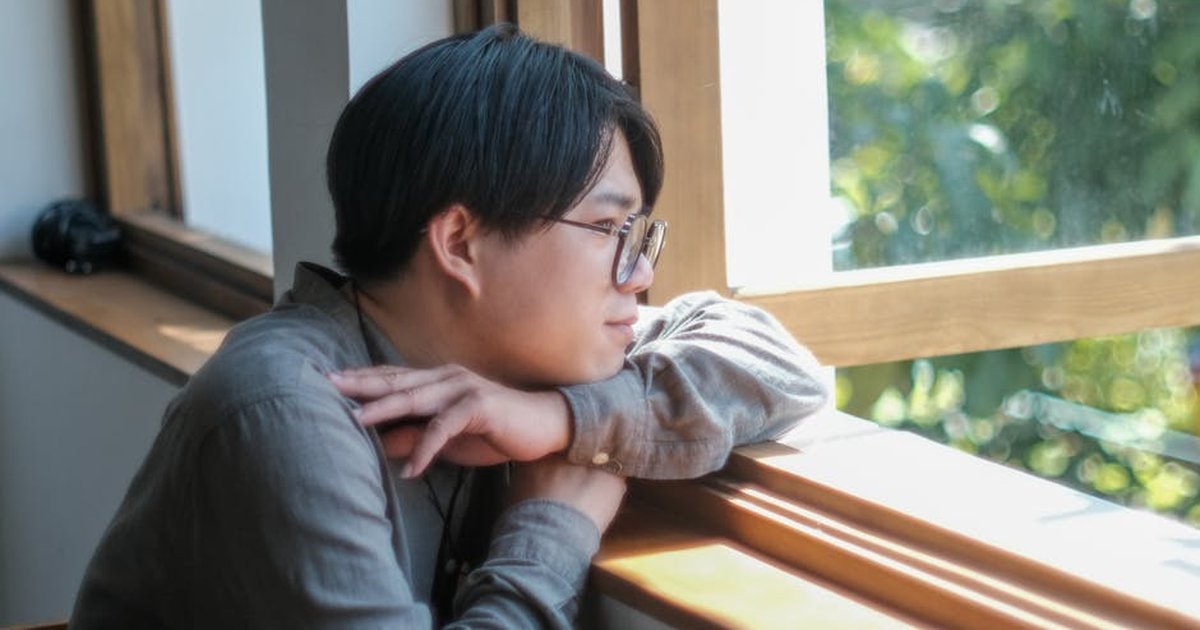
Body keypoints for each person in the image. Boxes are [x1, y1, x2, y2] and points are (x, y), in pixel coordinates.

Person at [70, 24, 826, 628]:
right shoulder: (285, 411)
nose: (637, 275)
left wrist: (558, 419)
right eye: (607, 229)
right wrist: (552, 528)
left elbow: (780, 366)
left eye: (639, 235)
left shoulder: (511, 364)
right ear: (460, 244)